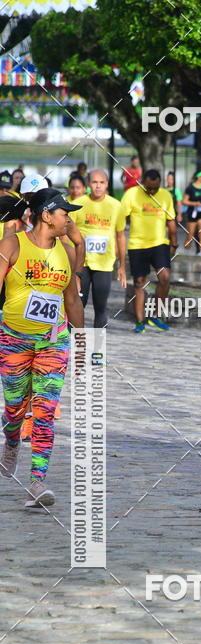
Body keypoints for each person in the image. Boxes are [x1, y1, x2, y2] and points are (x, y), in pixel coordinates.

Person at [0, 189, 84, 508]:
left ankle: (37, 482)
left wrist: (83, 342)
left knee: (45, 411)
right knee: (15, 408)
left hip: (52, 341)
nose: (69, 219)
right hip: (14, 340)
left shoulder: (66, 252)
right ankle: (11, 440)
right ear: (46, 215)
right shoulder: (12, 245)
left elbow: (72, 300)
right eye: (65, 213)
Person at [117, 168, 177, 333]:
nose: (152, 191)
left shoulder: (165, 195)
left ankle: (155, 316)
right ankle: (139, 321)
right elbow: (120, 220)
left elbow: (171, 221)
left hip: (159, 243)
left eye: (155, 188)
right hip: (137, 245)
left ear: (160, 184)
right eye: (148, 188)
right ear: (142, 181)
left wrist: (174, 243)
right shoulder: (131, 194)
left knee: (165, 278)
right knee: (139, 282)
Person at [70, 169, 127, 328]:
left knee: (101, 307)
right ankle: (75, 342)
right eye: (94, 182)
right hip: (81, 264)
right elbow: (66, 234)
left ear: (107, 184)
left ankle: (98, 343)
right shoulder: (77, 204)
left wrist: (122, 265)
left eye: (102, 182)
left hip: (104, 264)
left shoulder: (116, 206)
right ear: (88, 184)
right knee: (77, 305)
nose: (98, 186)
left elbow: (120, 236)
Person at [183, 170, 201, 255]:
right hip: (192, 213)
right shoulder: (190, 188)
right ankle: (186, 251)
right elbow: (184, 201)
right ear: (199, 177)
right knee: (190, 236)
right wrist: (195, 203)